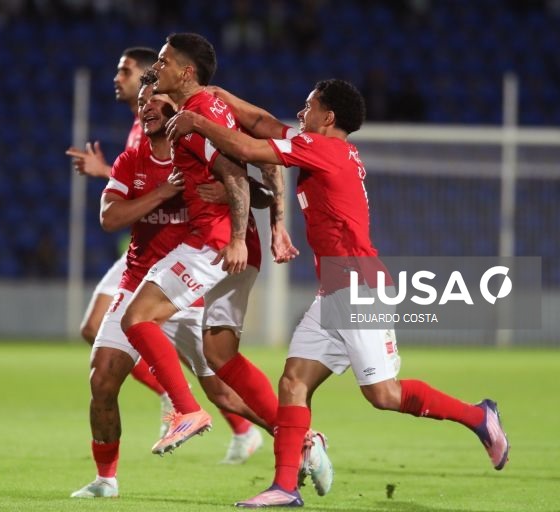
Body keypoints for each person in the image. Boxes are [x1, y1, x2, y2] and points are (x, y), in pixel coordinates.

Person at [165, 78, 510, 507]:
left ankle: (480, 416)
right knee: (293, 382)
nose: (300, 111)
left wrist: (198, 120)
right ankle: (285, 487)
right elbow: (261, 123)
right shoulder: (320, 143)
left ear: (327, 117)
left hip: (360, 288)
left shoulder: (322, 149)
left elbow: (250, 148)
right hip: (333, 292)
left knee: (384, 395)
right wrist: (222, 98)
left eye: (308, 106)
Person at [71, 73, 269, 500]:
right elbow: (109, 218)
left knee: (225, 393)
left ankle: (300, 439)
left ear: (176, 105)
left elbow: (257, 190)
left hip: (188, 290)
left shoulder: (197, 152)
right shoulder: (131, 160)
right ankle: (107, 479)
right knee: (102, 380)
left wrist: (236, 198)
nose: (146, 107)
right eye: (142, 101)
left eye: (155, 99)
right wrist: (162, 194)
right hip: (139, 280)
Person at [120, 33, 298, 459]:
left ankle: (186, 410)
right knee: (220, 354)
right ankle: (300, 439)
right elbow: (262, 151)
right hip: (240, 244)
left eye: (162, 62)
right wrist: (274, 221)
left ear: (186, 71)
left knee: (138, 317)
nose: (155, 68)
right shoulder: (217, 101)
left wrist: (237, 235)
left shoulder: (191, 118)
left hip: (216, 243)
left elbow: (235, 172)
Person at [65, 47, 173, 428]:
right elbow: (137, 184)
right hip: (140, 247)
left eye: (125, 71)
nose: (117, 77)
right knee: (93, 329)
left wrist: (103, 171)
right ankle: (171, 398)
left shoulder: (162, 127)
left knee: (210, 360)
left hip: (169, 248)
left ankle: (250, 428)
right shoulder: (137, 129)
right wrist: (108, 173)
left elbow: (160, 182)